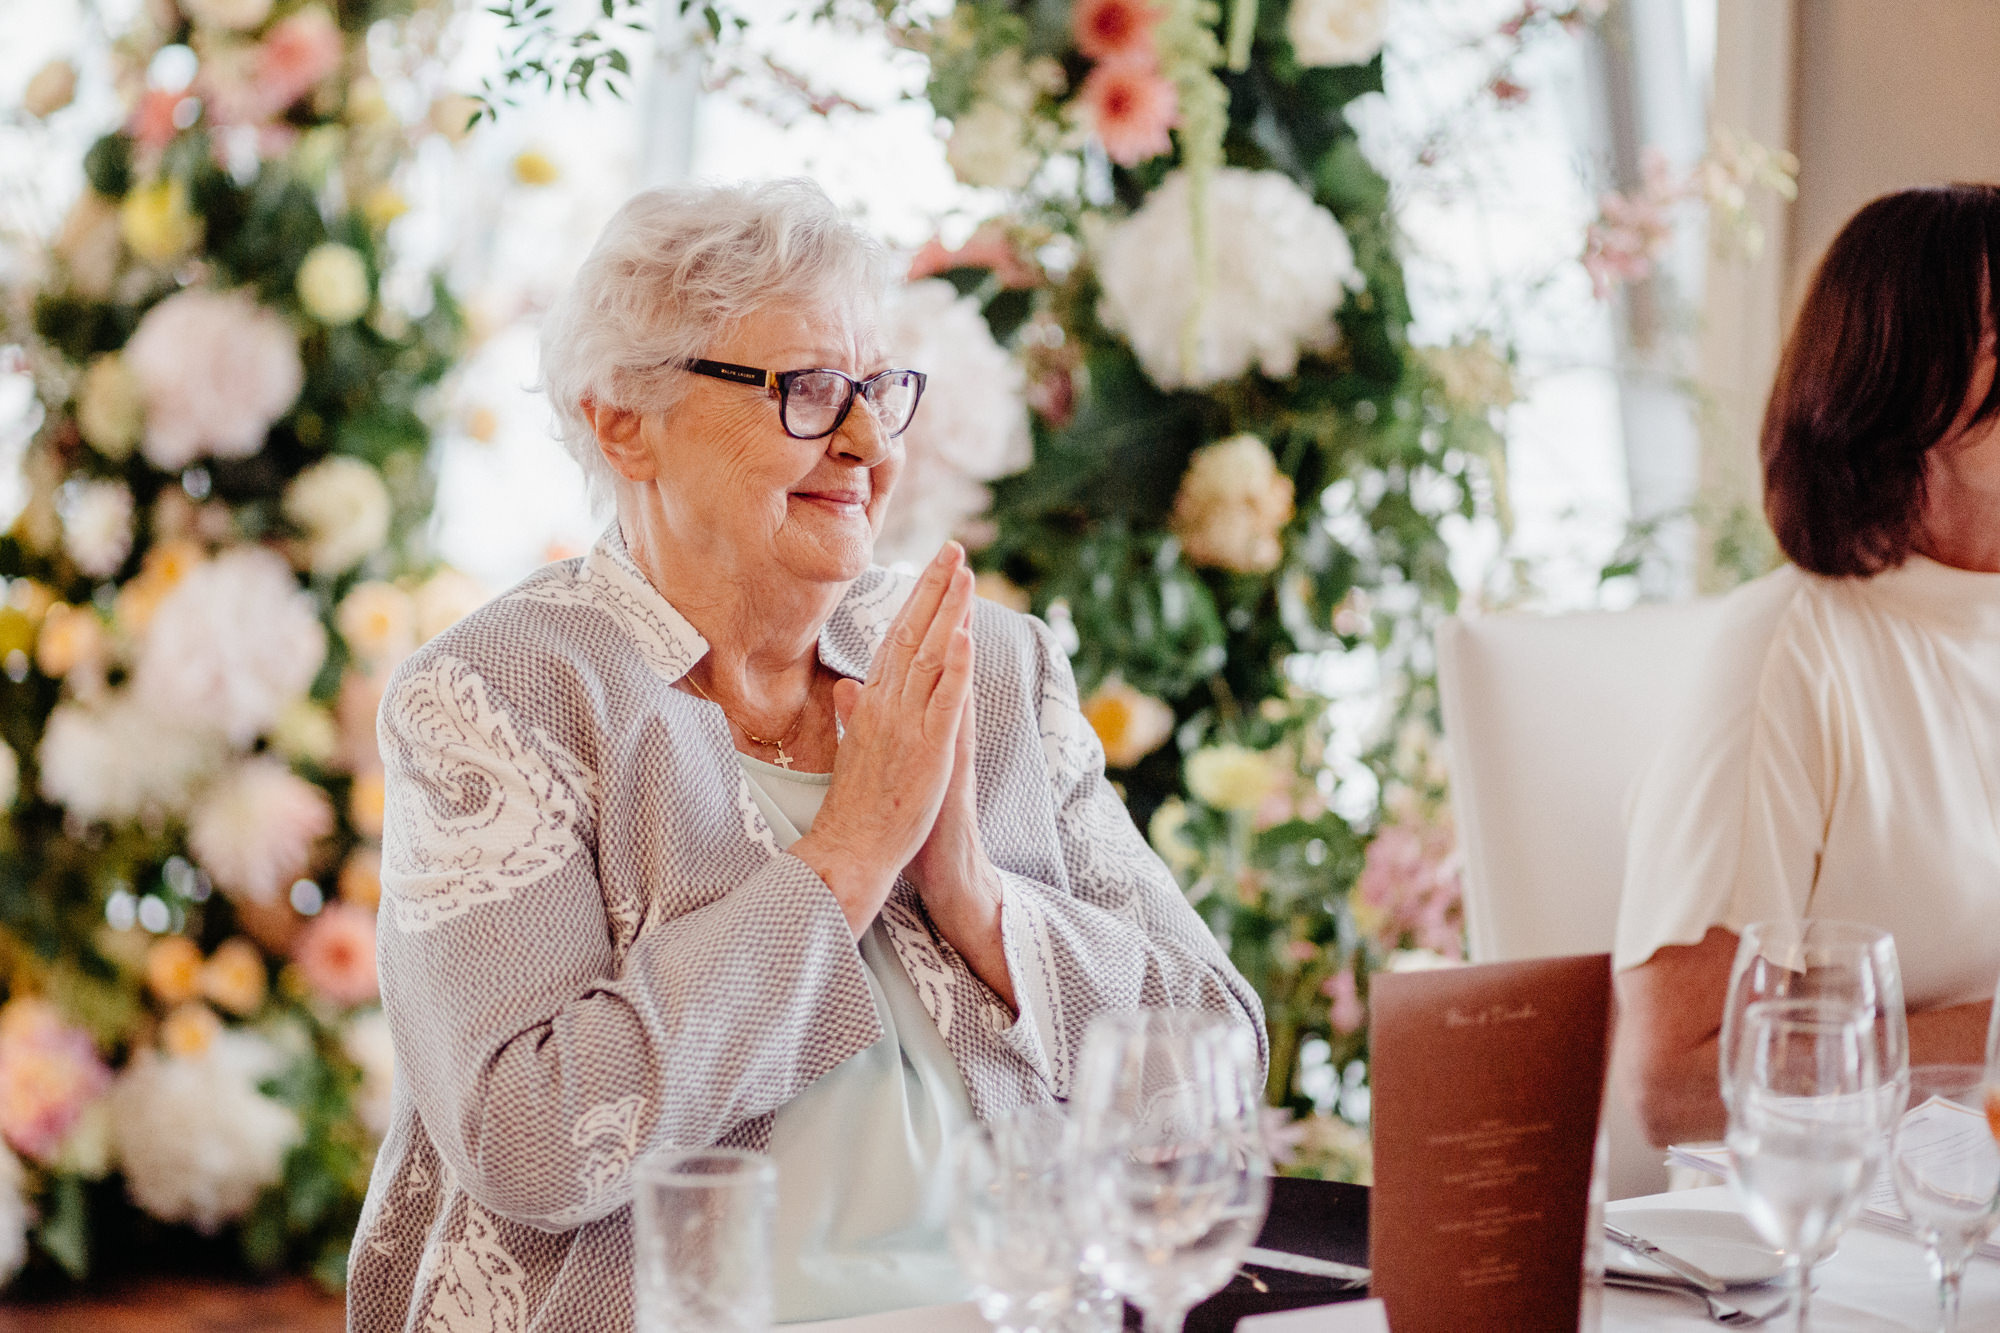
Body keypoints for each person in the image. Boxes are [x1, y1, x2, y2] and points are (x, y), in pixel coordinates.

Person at [343, 179, 1265, 1333]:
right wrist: (846, 857)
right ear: (622, 420)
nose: (869, 442)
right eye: (808, 393)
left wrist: (975, 902)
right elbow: (528, 1139)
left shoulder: (985, 666)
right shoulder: (500, 698)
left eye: (878, 388)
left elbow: (1213, 1057)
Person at [1613, 185, 2000, 1147]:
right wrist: (1984, 1046)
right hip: (1838, 1247)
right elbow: (1675, 1075)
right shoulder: (1786, 657)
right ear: (1915, 386)